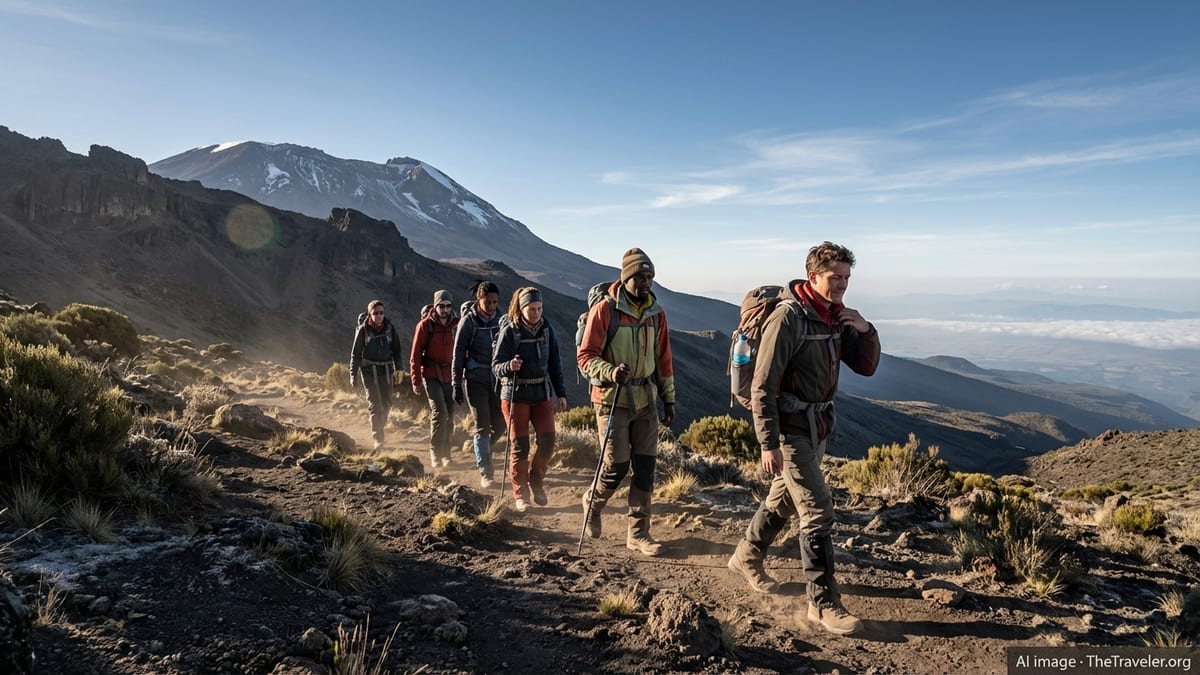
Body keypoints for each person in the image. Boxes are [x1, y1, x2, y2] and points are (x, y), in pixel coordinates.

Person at [726, 241, 880, 636]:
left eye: (847, 277)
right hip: (790, 429)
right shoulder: (789, 318)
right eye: (835, 277)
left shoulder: (833, 316)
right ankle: (822, 604)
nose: (842, 284)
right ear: (813, 276)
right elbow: (762, 386)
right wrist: (768, 442)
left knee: (783, 499)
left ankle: (746, 556)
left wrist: (865, 329)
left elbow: (865, 366)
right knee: (817, 511)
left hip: (817, 427)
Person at [577, 247, 675, 556]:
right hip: (612, 398)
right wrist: (609, 371)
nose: (647, 282)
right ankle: (592, 501)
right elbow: (585, 356)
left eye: (650, 277)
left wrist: (668, 398)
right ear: (626, 277)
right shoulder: (605, 311)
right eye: (641, 277)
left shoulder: (656, 313)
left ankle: (639, 533)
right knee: (616, 467)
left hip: (646, 399)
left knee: (645, 467)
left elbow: (664, 359)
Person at [492, 287, 568, 512]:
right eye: (531, 309)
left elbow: (555, 364)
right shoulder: (510, 331)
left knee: (547, 441)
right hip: (515, 395)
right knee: (520, 446)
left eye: (539, 308)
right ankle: (521, 494)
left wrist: (560, 393)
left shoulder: (547, 329)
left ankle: (536, 479)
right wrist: (509, 366)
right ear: (521, 308)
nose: (536, 313)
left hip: (541, 394)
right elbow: (496, 366)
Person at [452, 279, 506, 488]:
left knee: (501, 423)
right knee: (482, 425)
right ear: (479, 299)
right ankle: (486, 473)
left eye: (495, 302)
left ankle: (483, 449)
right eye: (488, 302)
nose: (492, 306)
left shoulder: (500, 320)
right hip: (475, 380)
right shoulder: (469, 322)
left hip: (497, 380)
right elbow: (457, 353)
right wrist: (456, 383)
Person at [411, 289, 460, 469]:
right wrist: (415, 380)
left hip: (451, 376)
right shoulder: (425, 326)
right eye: (441, 306)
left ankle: (447, 454)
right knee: (440, 413)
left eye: (448, 306)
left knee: (450, 415)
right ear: (435, 306)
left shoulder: (457, 324)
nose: (445, 310)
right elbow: (415, 355)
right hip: (431, 375)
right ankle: (435, 452)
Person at [349, 300, 404, 450]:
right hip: (368, 370)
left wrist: (400, 370)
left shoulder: (389, 329)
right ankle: (378, 437)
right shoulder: (363, 331)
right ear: (369, 314)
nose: (379, 316)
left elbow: (397, 351)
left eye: (381, 312)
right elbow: (356, 354)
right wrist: (353, 374)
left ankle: (380, 425)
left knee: (387, 403)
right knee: (376, 404)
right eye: (375, 313)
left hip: (386, 369)